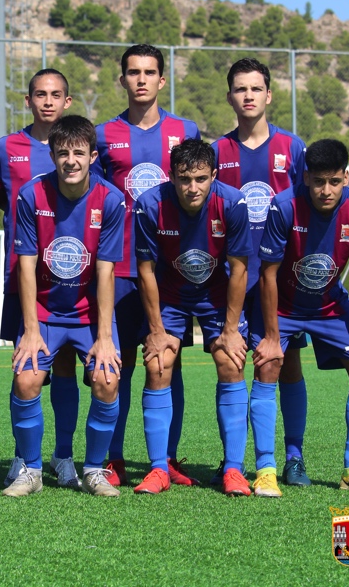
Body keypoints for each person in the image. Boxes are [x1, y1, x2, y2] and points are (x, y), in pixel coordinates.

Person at [252, 138, 349, 494]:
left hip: (328, 306)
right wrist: (272, 337)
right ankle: (266, 469)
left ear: (346, 178)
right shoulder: (283, 207)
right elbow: (267, 273)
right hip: (283, 305)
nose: (326, 190)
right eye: (318, 181)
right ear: (305, 178)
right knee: (268, 363)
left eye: (334, 181)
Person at [94, 44, 201, 488]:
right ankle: (114, 458)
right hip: (118, 265)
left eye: (149, 72)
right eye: (133, 72)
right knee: (120, 364)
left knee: (166, 360)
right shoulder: (104, 134)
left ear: (162, 80)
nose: (141, 79)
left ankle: (167, 457)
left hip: (170, 269)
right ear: (122, 80)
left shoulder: (185, 129)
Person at [7, 115, 125, 497]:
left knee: (107, 380)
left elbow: (105, 273)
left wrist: (105, 338)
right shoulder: (31, 195)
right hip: (43, 312)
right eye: (62, 153)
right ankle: (31, 470)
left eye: (78, 153)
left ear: (92, 156)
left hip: (88, 315)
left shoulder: (110, 199)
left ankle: (93, 469)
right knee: (26, 379)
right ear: (52, 155)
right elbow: (26, 266)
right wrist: (28, 330)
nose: (70, 160)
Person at [211, 57, 311, 489]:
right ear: (230, 96)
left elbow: (309, 210)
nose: (248, 95)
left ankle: (293, 457)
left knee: (286, 364)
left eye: (256, 88)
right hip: (231, 280)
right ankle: (233, 462)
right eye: (240, 88)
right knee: (231, 363)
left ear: (269, 95)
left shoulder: (293, 148)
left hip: (281, 280)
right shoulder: (218, 151)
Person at [136, 140, 253, 496]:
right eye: (184, 178)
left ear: (214, 176)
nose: (192, 187)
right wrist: (156, 330)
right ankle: (159, 468)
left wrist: (231, 330)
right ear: (171, 176)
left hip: (215, 294)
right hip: (169, 294)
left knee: (231, 361)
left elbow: (240, 269)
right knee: (158, 364)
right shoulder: (150, 205)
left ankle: (233, 469)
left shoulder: (232, 203)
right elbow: (146, 270)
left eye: (201, 178)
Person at [0, 68, 82, 489]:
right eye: (39, 94)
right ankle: (25, 459)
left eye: (55, 94)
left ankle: (63, 457)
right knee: (27, 369)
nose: (47, 101)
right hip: (24, 280)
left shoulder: (78, 146)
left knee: (64, 368)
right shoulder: (8, 147)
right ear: (27, 100)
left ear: (67, 101)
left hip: (74, 281)